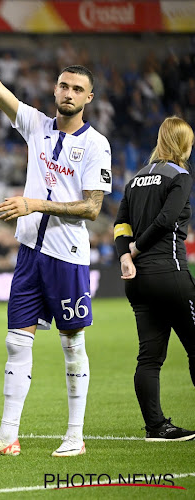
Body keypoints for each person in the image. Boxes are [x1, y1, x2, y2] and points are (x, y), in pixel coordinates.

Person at [0, 9, 112, 457]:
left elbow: (93, 208)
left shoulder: (95, 144)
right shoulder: (38, 126)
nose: (68, 93)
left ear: (89, 98)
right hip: (29, 254)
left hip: (67, 256)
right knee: (16, 340)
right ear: (55, 89)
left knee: (71, 342)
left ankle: (75, 436)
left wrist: (34, 203)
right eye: (63, 85)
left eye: (77, 89)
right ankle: (7, 437)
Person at [115, 116, 195, 442]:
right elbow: (166, 220)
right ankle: (158, 426)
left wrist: (125, 255)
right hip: (170, 273)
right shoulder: (180, 175)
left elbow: (120, 224)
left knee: (149, 357)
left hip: (137, 281)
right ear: (182, 143)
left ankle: (156, 427)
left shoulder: (134, 180)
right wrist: (135, 248)